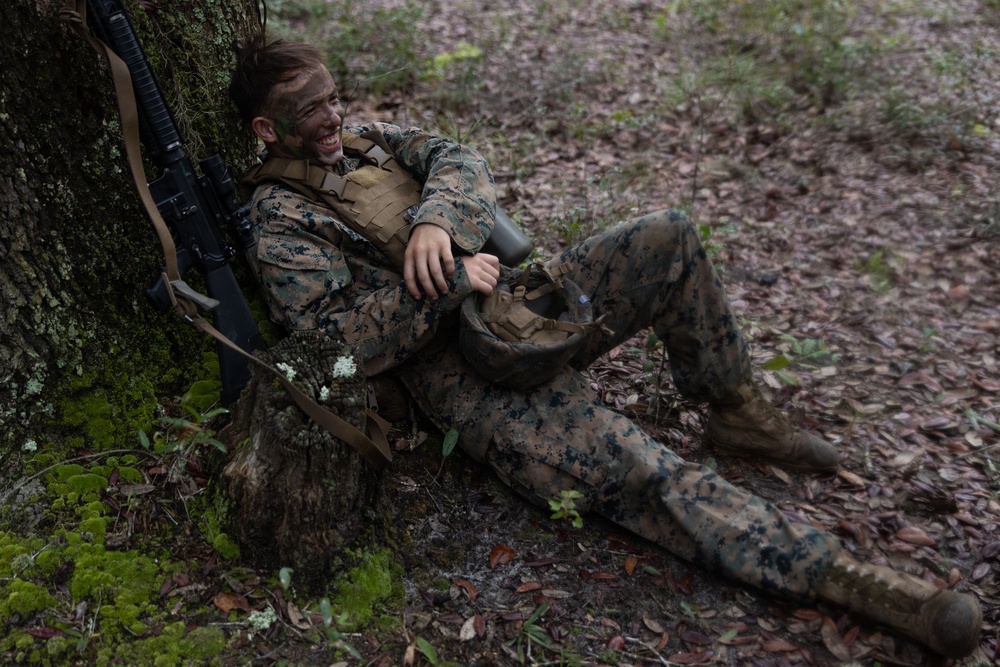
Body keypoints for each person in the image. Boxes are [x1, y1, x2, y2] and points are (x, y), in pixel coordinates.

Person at [228, 37, 982, 658]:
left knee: (668, 235)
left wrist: (436, 223)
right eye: (309, 109)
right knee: (642, 467)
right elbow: (336, 345)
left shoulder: (368, 140)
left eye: (332, 96)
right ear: (267, 129)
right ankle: (848, 580)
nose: (331, 116)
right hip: (463, 379)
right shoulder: (281, 216)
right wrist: (444, 283)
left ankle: (740, 412)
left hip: (516, 309)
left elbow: (459, 158)